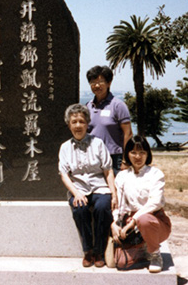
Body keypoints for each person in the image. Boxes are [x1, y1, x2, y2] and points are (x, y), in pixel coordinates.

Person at [58, 103, 117, 268]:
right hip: (78, 188)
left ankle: (99, 250)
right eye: (74, 122)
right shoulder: (65, 148)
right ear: (69, 125)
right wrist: (76, 193)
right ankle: (88, 251)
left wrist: (114, 193)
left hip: (100, 187)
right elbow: (64, 175)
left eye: (81, 122)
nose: (78, 125)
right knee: (80, 208)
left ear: (87, 124)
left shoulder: (98, 143)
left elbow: (108, 171)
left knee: (103, 206)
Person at [111, 136, 172, 273]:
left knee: (143, 219)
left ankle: (155, 255)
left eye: (142, 152)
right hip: (131, 225)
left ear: (148, 154)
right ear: (127, 154)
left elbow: (154, 202)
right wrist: (115, 223)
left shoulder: (156, 174)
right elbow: (120, 206)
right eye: (133, 152)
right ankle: (143, 251)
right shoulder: (122, 176)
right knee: (121, 263)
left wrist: (133, 221)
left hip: (154, 222)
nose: (138, 156)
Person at [86, 65, 133, 175]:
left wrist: (125, 160)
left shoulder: (118, 105)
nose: (97, 85)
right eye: (93, 82)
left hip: (114, 158)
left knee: (115, 190)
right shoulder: (88, 106)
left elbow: (128, 133)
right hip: (93, 157)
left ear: (109, 83)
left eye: (101, 81)